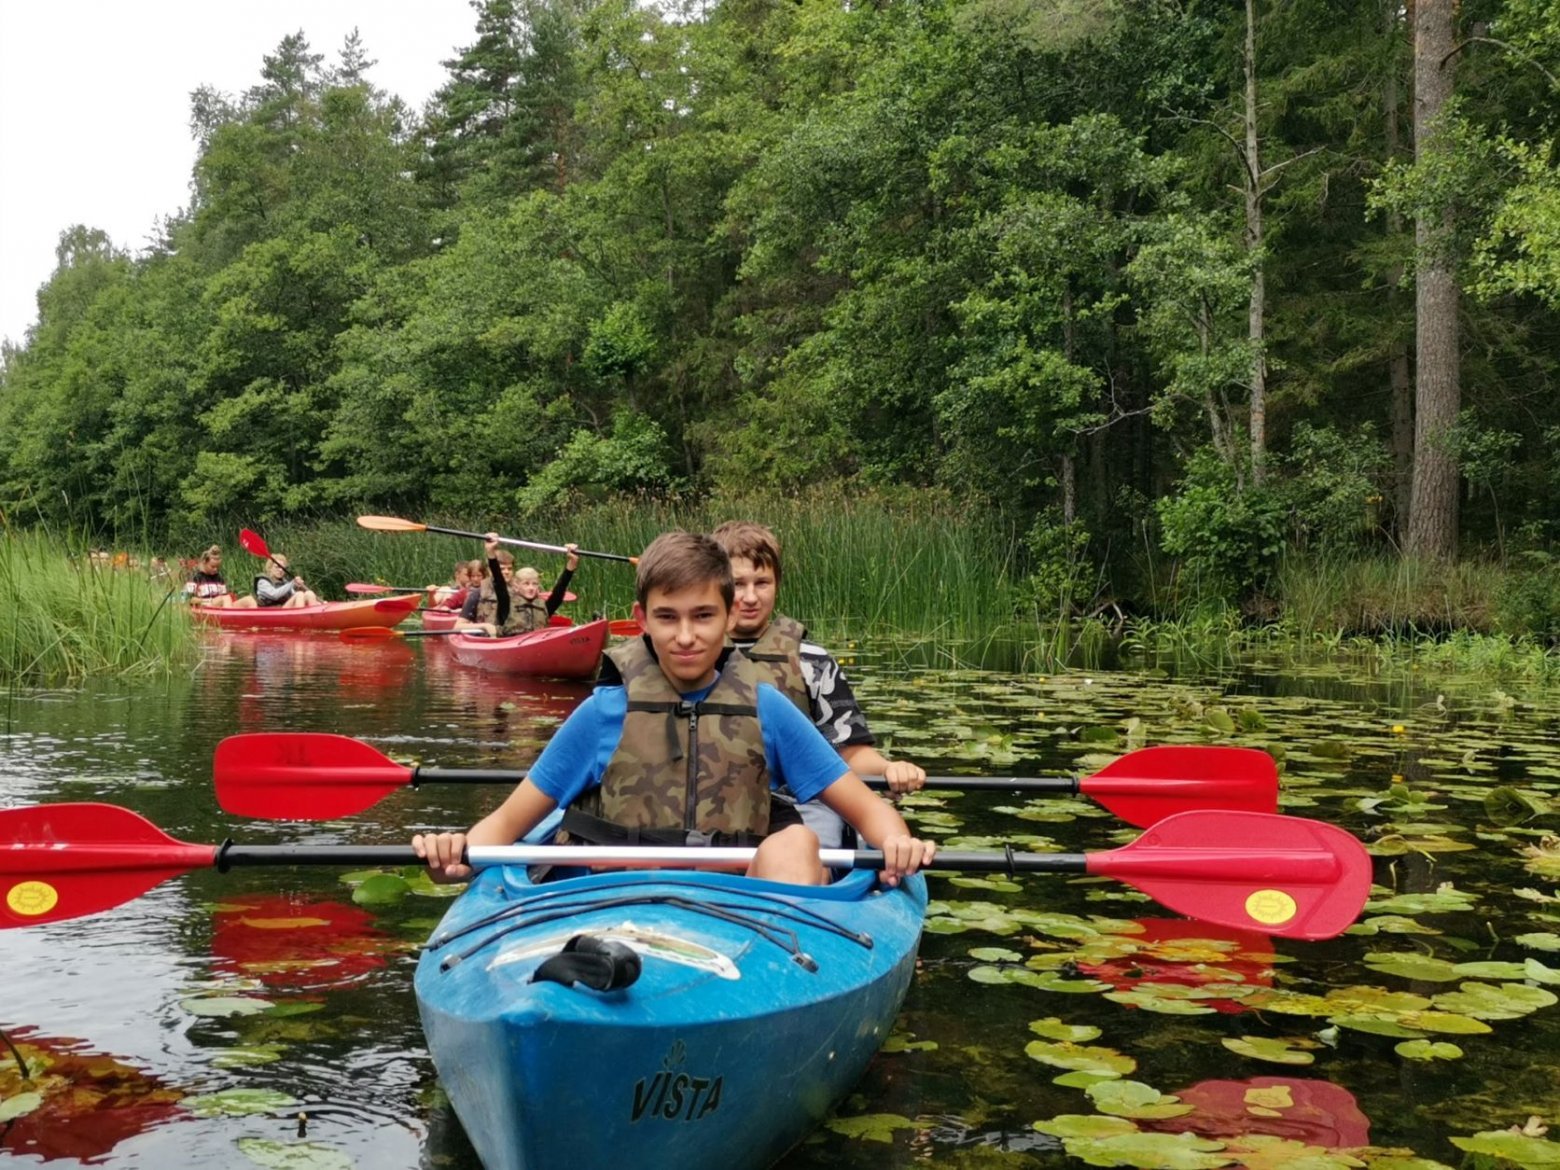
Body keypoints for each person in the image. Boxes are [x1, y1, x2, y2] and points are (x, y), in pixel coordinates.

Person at [414, 531, 936, 887]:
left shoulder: (766, 709)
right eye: (668, 618)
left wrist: (896, 843)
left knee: (797, 840)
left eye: (704, 616)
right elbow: (505, 825)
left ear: (729, 616)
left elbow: (867, 809)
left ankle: (775, 989)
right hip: (616, 906)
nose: (686, 636)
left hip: (742, 914)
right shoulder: (603, 714)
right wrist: (455, 857)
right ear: (642, 619)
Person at [710, 520, 927, 848]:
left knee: (811, 848)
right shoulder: (692, 654)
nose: (751, 597)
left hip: (804, 803)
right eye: (739, 584)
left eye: (762, 582)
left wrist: (890, 768)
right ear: (719, 585)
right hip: (715, 804)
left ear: (778, 583)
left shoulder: (811, 660)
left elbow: (850, 753)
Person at [455, 534, 580, 637]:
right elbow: (500, 584)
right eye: (526, 584)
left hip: (536, 644)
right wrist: (490, 552)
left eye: (534, 584)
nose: (531, 588)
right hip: (508, 643)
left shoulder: (543, 606)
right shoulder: (506, 603)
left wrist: (571, 564)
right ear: (517, 586)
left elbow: (558, 592)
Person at [252, 553, 321, 608]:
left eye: (283, 568)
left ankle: (317, 616)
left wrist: (320, 603)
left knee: (309, 594)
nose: (280, 570)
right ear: (270, 568)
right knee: (299, 595)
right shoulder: (262, 582)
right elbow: (274, 595)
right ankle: (300, 621)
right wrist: (292, 583)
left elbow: (293, 595)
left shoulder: (284, 582)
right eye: (277, 567)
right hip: (272, 612)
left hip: (284, 608)